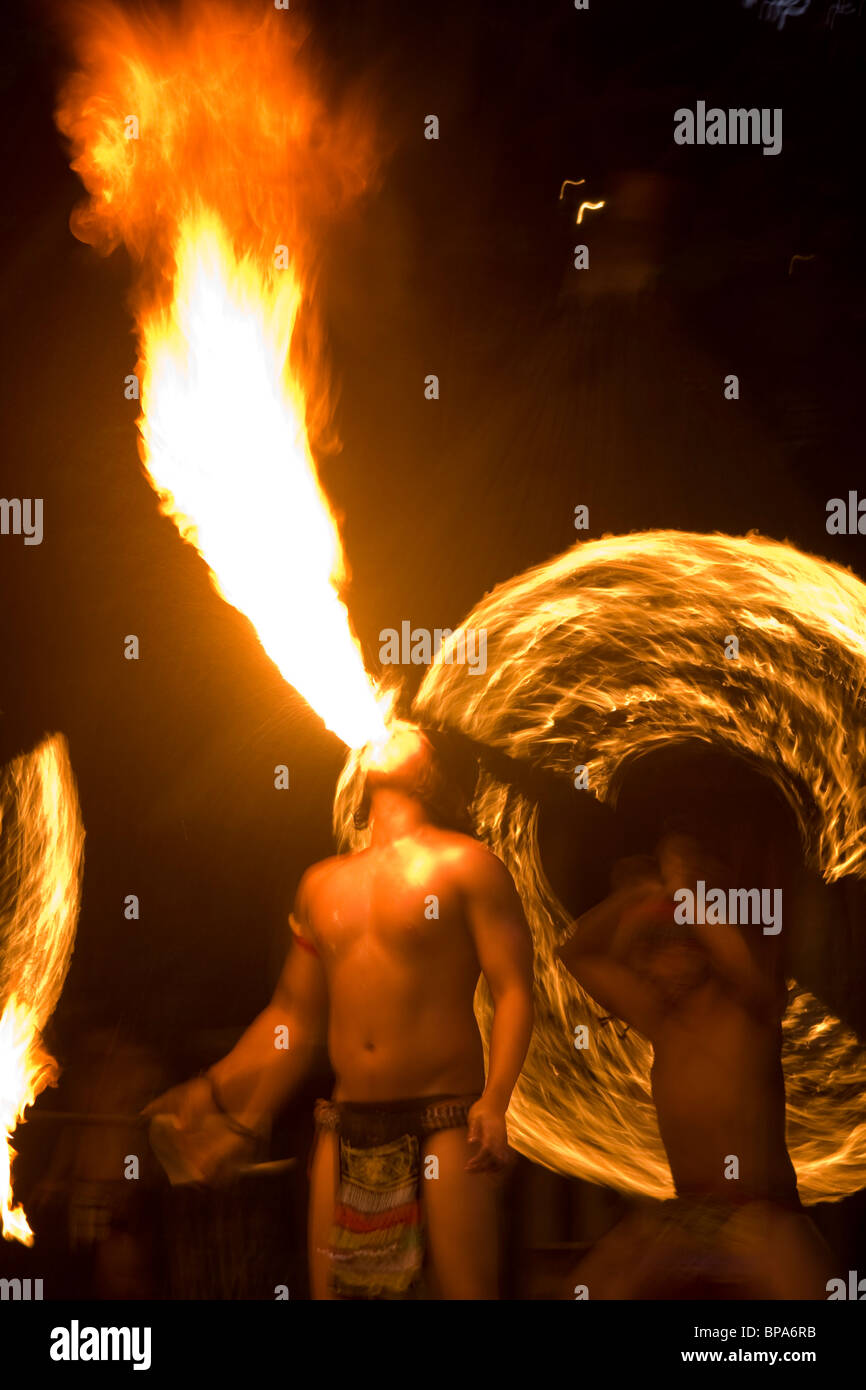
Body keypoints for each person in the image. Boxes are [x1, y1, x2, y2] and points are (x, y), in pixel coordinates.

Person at [145, 723, 534, 1299]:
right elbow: (292, 1019)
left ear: (431, 770)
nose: (391, 724)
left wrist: (496, 1099)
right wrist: (219, 1093)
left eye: (411, 728)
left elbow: (515, 991)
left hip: (445, 1119)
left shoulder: (467, 865)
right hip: (345, 1123)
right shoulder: (321, 885)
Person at [556, 832, 833, 1299]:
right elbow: (576, 953)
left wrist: (685, 888)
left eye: (673, 943)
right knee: (591, 1288)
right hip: (686, 1217)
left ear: (698, 945)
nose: (659, 962)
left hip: (763, 1215)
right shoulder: (660, 1020)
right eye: (652, 949)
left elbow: (744, 966)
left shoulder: (751, 1009)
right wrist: (637, 894)